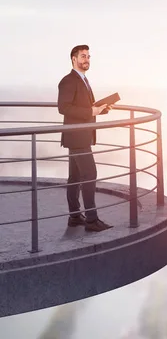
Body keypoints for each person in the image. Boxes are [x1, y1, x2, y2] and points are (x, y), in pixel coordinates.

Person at [57, 44, 113, 232]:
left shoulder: (83, 80)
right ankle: (91, 220)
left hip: (80, 135)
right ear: (74, 59)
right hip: (77, 136)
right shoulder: (69, 80)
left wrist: (100, 110)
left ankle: (74, 217)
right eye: (83, 56)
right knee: (90, 175)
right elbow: (63, 108)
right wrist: (91, 110)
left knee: (75, 177)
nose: (87, 59)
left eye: (88, 56)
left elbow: (85, 109)